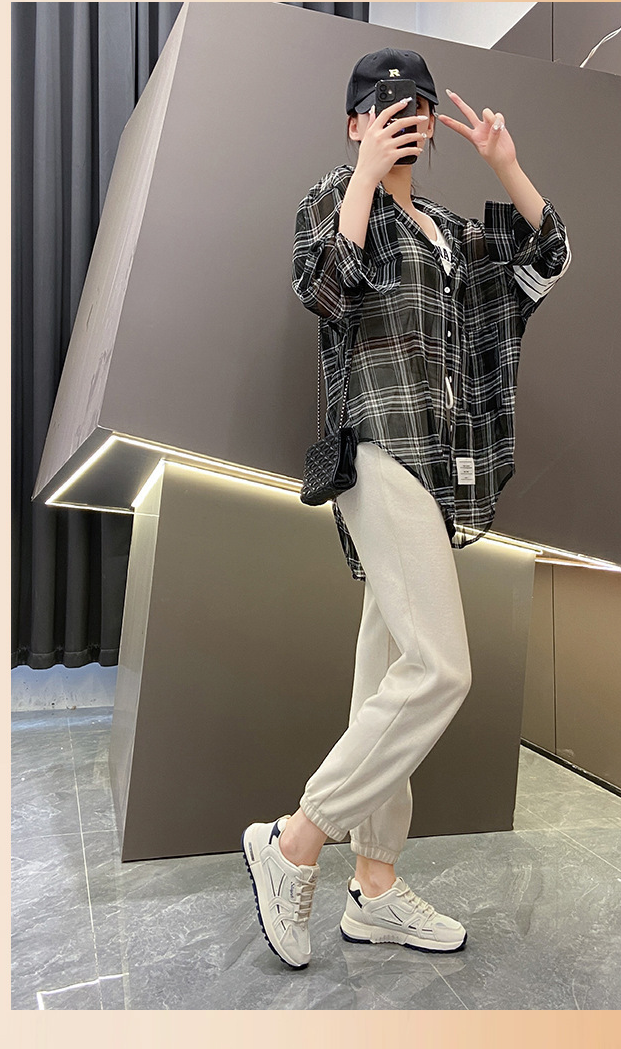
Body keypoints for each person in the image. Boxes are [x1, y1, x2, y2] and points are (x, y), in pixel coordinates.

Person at [242, 48, 572, 970]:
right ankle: (296, 840)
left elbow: (547, 259)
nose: (407, 118)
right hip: (377, 446)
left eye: (418, 106)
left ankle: (375, 885)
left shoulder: (450, 231)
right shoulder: (334, 198)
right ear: (357, 122)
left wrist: (507, 164)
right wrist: (362, 175)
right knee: (440, 668)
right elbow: (323, 287)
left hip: (438, 462)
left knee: (387, 670)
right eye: (387, 106)